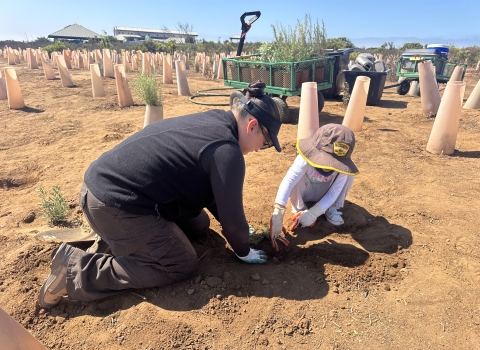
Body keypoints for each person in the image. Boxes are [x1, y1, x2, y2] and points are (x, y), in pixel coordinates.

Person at [38, 81, 282, 309]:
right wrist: (243, 250)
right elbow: (231, 221)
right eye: (267, 140)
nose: (262, 148)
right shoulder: (228, 151)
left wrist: (239, 227)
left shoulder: (216, 122)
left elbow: (219, 195)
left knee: (199, 224)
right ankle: (75, 270)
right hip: (113, 206)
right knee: (180, 263)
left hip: (102, 190)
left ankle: (124, 240)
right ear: (252, 126)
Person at [270, 124, 358, 251]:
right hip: (305, 191)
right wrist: (278, 212)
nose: (329, 166)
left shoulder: (342, 169)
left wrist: (314, 213)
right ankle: (300, 208)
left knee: (349, 175)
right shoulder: (304, 158)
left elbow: (334, 192)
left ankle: (331, 208)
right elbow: (288, 181)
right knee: (294, 179)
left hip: (325, 192)